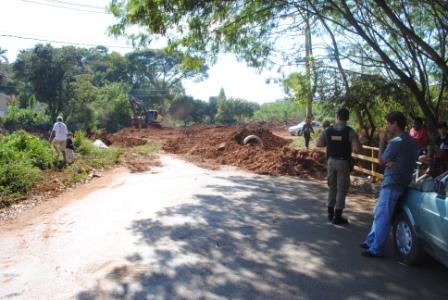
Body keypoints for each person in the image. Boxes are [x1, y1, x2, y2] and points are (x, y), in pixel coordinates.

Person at [360, 112, 418, 258]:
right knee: (379, 213)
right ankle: (370, 240)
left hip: (392, 183)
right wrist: (391, 162)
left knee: (383, 217)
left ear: (395, 124)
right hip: (402, 183)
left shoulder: (396, 141)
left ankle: (377, 249)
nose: (387, 126)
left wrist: (381, 141)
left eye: (389, 123)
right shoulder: (411, 141)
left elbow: (381, 160)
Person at [316, 108, 362, 225]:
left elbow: (318, 144)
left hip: (330, 161)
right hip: (343, 163)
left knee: (332, 187)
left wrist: (330, 142)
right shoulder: (350, 131)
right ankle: (337, 216)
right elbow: (356, 150)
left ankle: (330, 214)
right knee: (342, 189)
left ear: (337, 116)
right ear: (347, 118)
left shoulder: (328, 130)